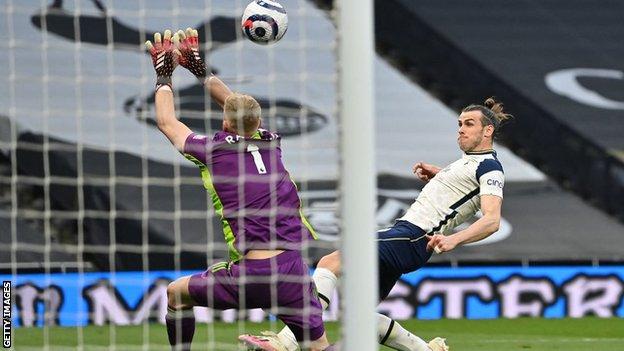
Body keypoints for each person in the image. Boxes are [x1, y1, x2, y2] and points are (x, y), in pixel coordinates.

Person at [241, 98, 512, 351]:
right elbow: (464, 191)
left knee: (329, 263)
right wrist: (439, 175)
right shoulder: (470, 164)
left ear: (487, 131)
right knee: (360, 314)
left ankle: (286, 342)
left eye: (469, 124)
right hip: (408, 239)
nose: (460, 130)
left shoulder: (490, 168)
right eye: (459, 124)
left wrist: (455, 239)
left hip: (413, 237)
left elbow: (492, 220)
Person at [146, 28, 335, 351]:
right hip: (292, 270)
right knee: (320, 347)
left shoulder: (214, 150)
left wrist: (165, 75)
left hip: (254, 273)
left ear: (225, 123)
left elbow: (167, 122)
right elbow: (238, 110)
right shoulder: (270, 142)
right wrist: (202, 71)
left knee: (176, 294)